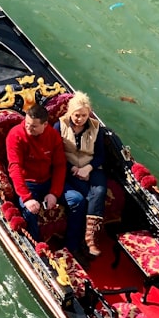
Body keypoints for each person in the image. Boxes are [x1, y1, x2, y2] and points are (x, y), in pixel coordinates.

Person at [6, 103, 85, 249]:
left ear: (45, 124)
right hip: (28, 183)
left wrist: (54, 193)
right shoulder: (15, 135)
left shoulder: (53, 136)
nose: (28, 128)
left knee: (78, 200)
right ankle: (38, 249)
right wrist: (27, 198)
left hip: (48, 181)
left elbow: (60, 166)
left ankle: (72, 246)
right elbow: (14, 168)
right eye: (27, 123)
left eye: (34, 126)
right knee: (29, 212)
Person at [59, 92, 107, 257]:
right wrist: (73, 168)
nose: (80, 119)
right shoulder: (59, 126)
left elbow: (100, 154)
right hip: (69, 169)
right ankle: (76, 244)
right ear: (70, 113)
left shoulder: (95, 127)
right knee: (87, 198)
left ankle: (90, 238)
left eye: (84, 115)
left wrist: (88, 168)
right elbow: (55, 154)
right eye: (76, 115)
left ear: (89, 113)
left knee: (100, 192)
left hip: (91, 167)